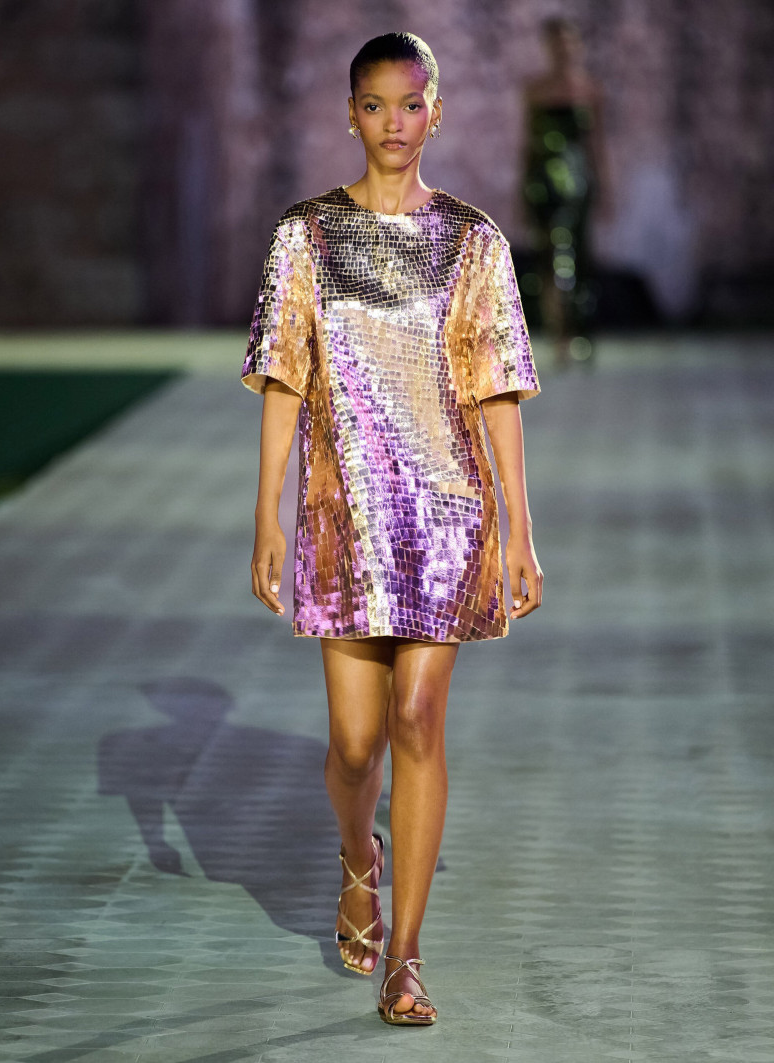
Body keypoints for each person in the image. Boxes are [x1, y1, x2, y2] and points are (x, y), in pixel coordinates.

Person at [243, 32, 542, 1027]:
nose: (394, 124)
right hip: (344, 518)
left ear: (435, 113)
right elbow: (284, 377)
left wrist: (519, 531)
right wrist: (267, 516)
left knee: (416, 719)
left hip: (448, 513)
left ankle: (405, 956)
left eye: (411, 105)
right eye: (374, 105)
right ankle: (356, 851)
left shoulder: (474, 242)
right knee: (354, 743)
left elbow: (497, 389)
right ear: (350, 114)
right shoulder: (305, 237)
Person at [521, 17, 611, 367]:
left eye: (568, 42)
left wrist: (605, 187)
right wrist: (522, 187)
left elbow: (597, 145)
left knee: (580, 257)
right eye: (556, 42)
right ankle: (559, 336)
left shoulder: (590, 90)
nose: (563, 49)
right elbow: (527, 144)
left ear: (577, 45)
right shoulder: (535, 91)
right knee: (550, 260)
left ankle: (579, 333)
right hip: (543, 184)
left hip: (578, 186)